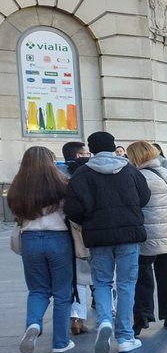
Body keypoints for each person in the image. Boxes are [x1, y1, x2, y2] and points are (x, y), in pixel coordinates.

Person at [64, 131, 151, 353]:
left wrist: (89, 221)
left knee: (101, 282)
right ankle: (125, 337)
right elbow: (144, 196)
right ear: (113, 147)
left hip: (98, 237)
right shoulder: (129, 170)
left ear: (91, 150)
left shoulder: (82, 174)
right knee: (126, 284)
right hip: (129, 235)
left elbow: (72, 209)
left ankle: (104, 320)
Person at [10, 146, 75, 353]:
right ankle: (60, 342)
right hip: (58, 238)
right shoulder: (61, 183)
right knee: (62, 292)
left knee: (37, 289)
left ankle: (34, 324)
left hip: (29, 239)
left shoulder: (18, 187)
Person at [126, 141, 167, 336]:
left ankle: (142, 315)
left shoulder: (136, 176)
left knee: (142, 276)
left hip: (147, 234)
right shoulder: (164, 172)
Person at [62, 141, 92, 336]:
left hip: (61, 233)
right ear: (79, 155)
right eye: (85, 153)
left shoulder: (58, 175)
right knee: (91, 277)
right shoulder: (84, 174)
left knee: (74, 278)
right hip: (82, 231)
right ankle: (108, 312)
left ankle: (76, 316)